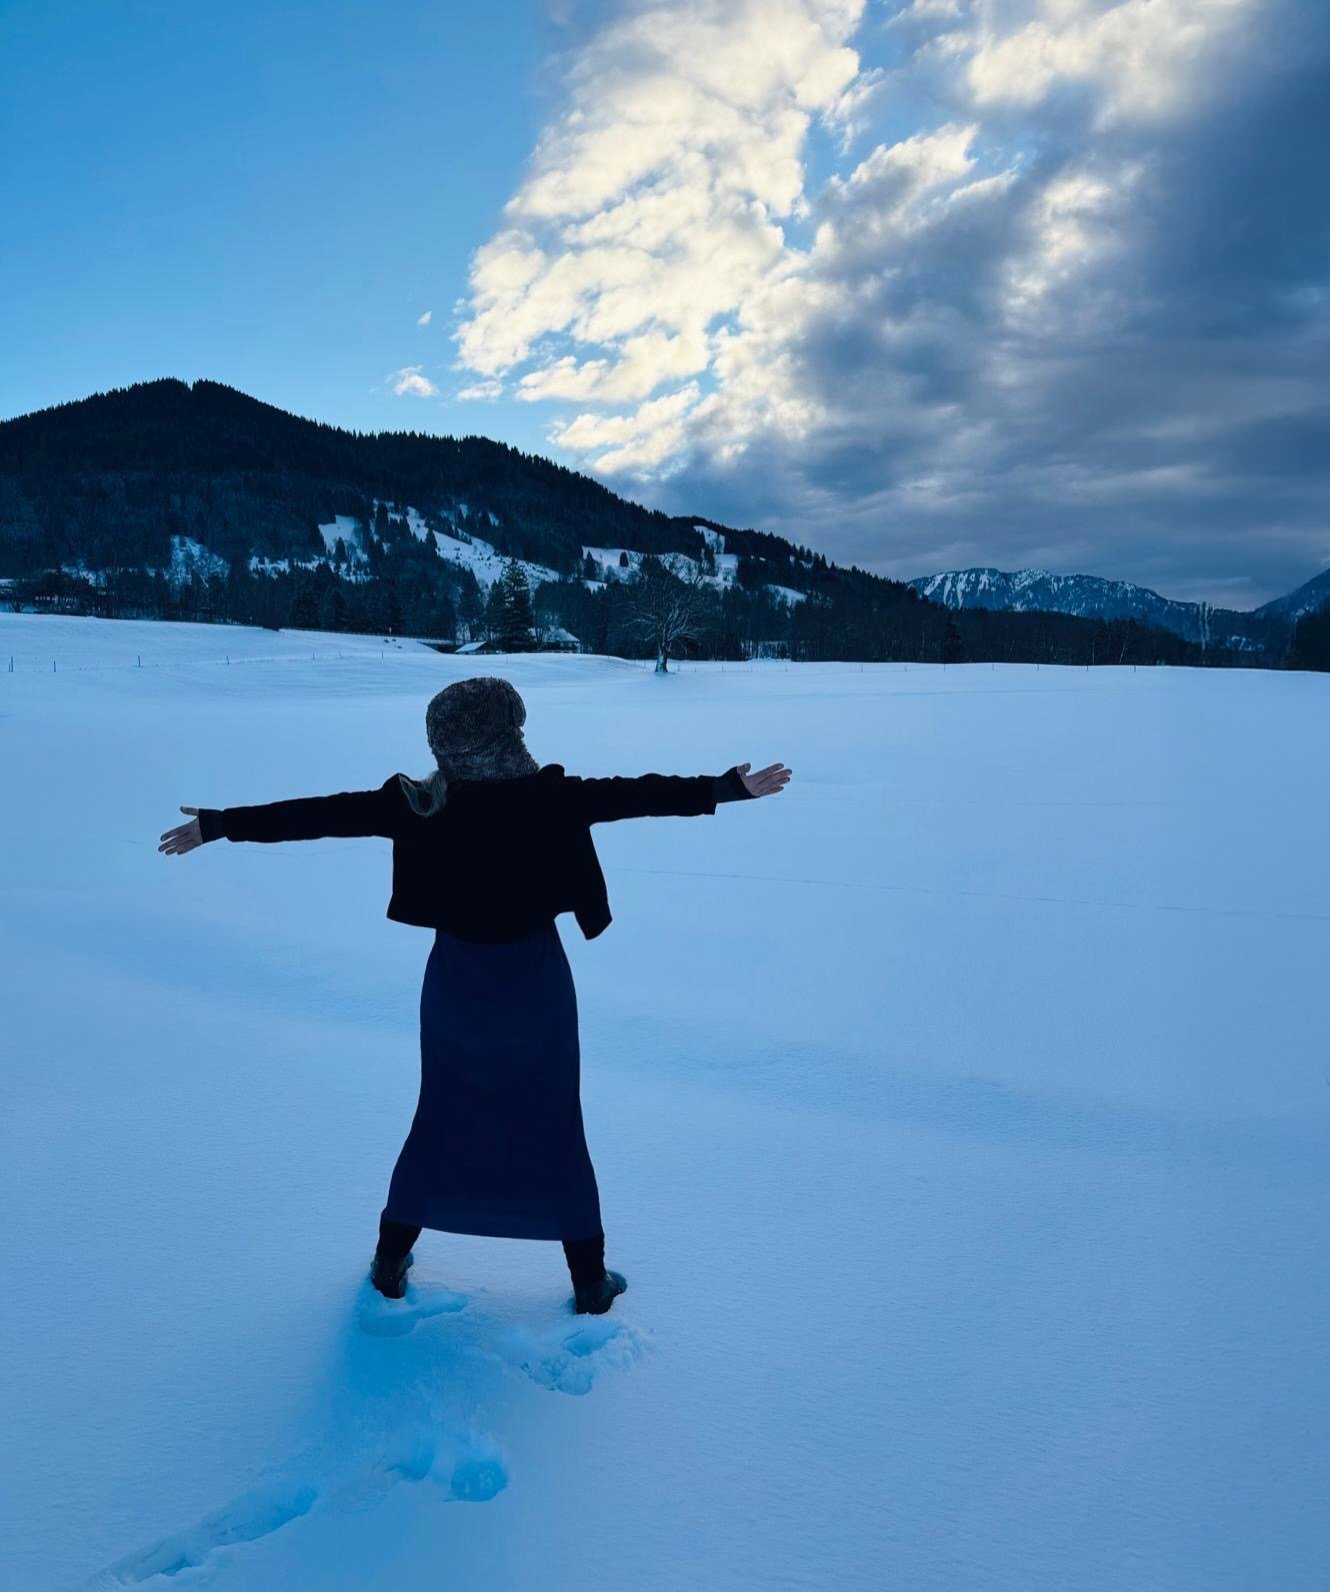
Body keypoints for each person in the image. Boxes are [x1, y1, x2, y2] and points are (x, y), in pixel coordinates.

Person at [159, 675, 791, 1315]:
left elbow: (320, 814)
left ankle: (388, 1263)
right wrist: (727, 787)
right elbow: (640, 795)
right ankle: (588, 1280)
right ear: (506, 733)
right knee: (553, 1122)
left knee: (443, 1115)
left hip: (456, 985)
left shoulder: (420, 804)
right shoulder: (551, 800)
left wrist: (218, 825)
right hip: (536, 986)